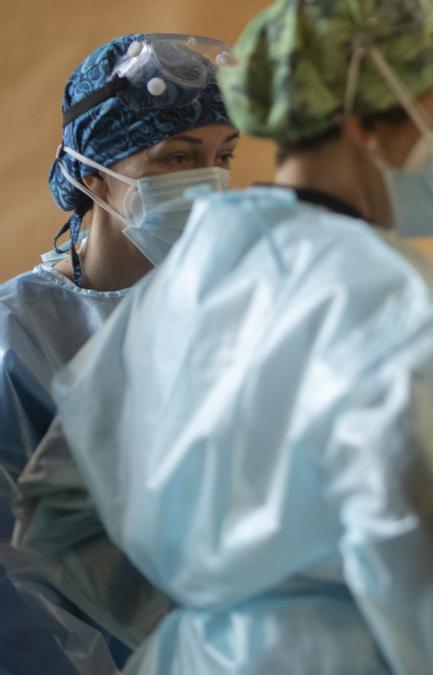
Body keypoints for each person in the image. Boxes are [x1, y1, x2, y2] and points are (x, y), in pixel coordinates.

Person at [22, 0, 433, 672]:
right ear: (364, 121)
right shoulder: (388, 297)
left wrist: (203, 614)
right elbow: (428, 557)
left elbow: (58, 508)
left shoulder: (197, 266)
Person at [0, 33, 236, 674]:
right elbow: (16, 587)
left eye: (224, 156)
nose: (209, 182)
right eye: (177, 157)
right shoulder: (19, 339)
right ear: (91, 169)